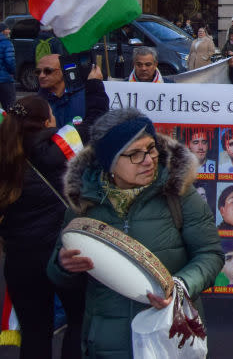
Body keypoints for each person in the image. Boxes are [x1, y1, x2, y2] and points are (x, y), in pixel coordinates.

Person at [49, 108, 223, 356]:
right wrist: (63, 265)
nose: (149, 160)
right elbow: (56, 272)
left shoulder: (179, 193)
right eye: (134, 154)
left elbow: (210, 254)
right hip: (107, 343)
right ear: (109, 161)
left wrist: (179, 287)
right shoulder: (85, 201)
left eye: (151, 148)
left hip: (169, 339)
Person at [0, 97, 86, 358]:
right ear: (47, 121)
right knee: (78, 323)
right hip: (63, 255)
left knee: (35, 334)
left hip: (20, 260)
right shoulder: (59, 153)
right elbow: (95, 123)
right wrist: (94, 86)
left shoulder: (3, 154)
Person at [36, 54, 108, 135]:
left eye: (48, 71)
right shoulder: (36, 103)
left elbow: (97, 125)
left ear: (63, 71)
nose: (41, 76)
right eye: (38, 72)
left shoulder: (85, 95)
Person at [0, 22, 15, 109]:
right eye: (7, 29)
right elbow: (10, 61)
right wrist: (13, 72)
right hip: (5, 80)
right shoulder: (7, 43)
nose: (9, 31)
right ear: (2, 31)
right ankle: (10, 123)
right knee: (10, 107)